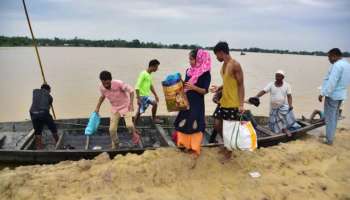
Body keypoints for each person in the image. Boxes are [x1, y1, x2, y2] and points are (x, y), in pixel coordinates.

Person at [209, 41, 245, 161]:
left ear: (221, 52)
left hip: (233, 103)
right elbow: (228, 82)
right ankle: (226, 144)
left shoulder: (235, 65)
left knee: (229, 128)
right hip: (224, 101)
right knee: (217, 124)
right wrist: (218, 88)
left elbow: (240, 85)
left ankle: (228, 153)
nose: (216, 57)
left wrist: (241, 104)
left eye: (216, 55)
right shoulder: (224, 65)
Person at [174, 49, 211, 157]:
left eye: (192, 59)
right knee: (183, 121)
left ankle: (194, 147)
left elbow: (205, 91)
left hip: (197, 103)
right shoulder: (188, 71)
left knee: (195, 123)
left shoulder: (205, 73)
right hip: (187, 100)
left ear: (199, 59)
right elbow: (185, 86)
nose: (190, 61)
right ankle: (184, 145)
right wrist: (179, 81)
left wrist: (194, 87)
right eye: (189, 59)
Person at [95, 71, 140, 149]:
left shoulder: (119, 83)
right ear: (101, 81)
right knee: (111, 130)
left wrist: (131, 104)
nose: (106, 86)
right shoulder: (101, 87)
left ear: (111, 80)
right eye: (104, 83)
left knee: (129, 125)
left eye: (108, 83)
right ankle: (116, 144)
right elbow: (102, 97)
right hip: (115, 109)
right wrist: (97, 107)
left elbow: (131, 91)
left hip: (126, 106)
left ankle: (135, 135)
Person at [319, 48, 350, 145]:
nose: (328, 59)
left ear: (334, 56)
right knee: (335, 117)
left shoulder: (336, 65)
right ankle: (330, 135)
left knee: (329, 117)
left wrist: (322, 93)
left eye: (329, 57)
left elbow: (332, 82)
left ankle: (329, 140)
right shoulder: (347, 64)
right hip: (341, 94)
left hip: (332, 95)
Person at [253, 70, 299, 135]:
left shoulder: (287, 85)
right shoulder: (271, 84)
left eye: (278, 76)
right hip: (273, 107)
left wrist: (290, 105)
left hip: (282, 106)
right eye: (276, 76)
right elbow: (263, 91)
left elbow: (289, 96)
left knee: (283, 118)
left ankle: (285, 129)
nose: (277, 78)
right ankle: (276, 131)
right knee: (273, 122)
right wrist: (256, 96)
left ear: (282, 77)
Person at [29, 84, 59, 150]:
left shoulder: (35, 92)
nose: (49, 92)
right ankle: (58, 143)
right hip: (43, 113)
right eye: (50, 91)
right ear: (48, 90)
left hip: (33, 113)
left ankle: (39, 147)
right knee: (53, 129)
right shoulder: (49, 96)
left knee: (37, 132)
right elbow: (48, 107)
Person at [134, 59, 161, 124]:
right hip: (142, 96)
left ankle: (154, 118)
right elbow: (137, 86)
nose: (157, 69)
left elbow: (150, 86)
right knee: (140, 112)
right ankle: (134, 126)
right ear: (152, 66)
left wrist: (156, 95)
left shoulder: (149, 75)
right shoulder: (143, 73)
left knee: (155, 103)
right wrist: (138, 98)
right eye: (156, 67)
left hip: (146, 96)